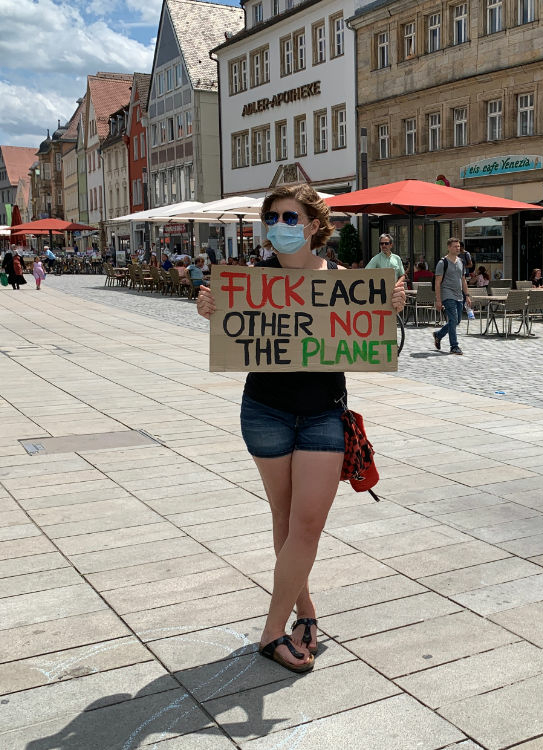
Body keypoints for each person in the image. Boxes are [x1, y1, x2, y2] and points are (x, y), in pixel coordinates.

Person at [195, 183, 406, 674]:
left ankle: (272, 632)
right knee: (286, 521)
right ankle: (305, 613)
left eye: (290, 218)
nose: (279, 228)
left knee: (307, 525)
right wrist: (210, 310)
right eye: (272, 219)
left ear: (314, 225)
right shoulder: (251, 281)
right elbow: (231, 330)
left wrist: (387, 313)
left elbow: (375, 346)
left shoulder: (346, 280)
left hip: (324, 413)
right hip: (265, 410)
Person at [433, 237, 472, 355]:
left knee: (457, 320)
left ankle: (438, 335)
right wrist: (438, 300)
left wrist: (467, 295)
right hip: (447, 294)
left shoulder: (461, 262)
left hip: (459, 295)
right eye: (455, 246)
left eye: (459, 246)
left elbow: (463, 280)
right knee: (453, 319)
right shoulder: (442, 263)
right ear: (449, 247)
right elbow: (437, 282)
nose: (458, 248)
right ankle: (454, 346)